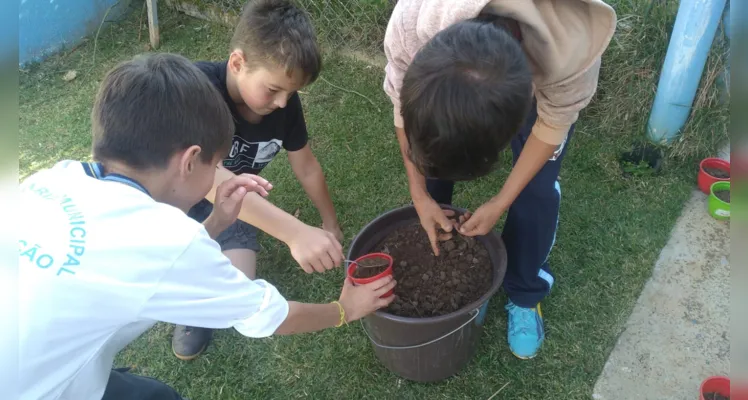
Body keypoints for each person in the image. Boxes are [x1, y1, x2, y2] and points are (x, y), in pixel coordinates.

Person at [18, 53, 396, 400]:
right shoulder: (166, 240)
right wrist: (344, 309)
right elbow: (268, 317)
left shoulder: (55, 177)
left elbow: (145, 258)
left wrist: (216, 222)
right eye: (216, 165)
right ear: (190, 161)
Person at [383, 0, 616, 359]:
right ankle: (433, 216)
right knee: (433, 151)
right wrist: (419, 192)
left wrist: (501, 200)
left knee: (537, 190)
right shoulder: (414, 21)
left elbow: (553, 125)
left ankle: (526, 291)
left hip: (539, 71)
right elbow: (404, 107)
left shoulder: (570, 52)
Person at [172, 0, 346, 360]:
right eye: (273, 90)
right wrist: (294, 231)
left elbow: (307, 166)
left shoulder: (284, 106)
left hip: (239, 210)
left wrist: (329, 222)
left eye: (291, 92)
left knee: (237, 289)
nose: (283, 103)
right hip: (176, 207)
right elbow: (205, 179)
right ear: (237, 63)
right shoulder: (196, 91)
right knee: (185, 273)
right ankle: (189, 312)